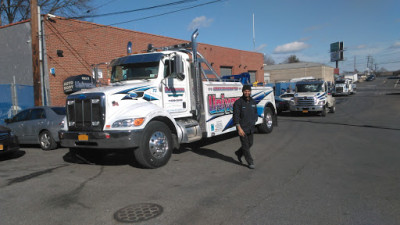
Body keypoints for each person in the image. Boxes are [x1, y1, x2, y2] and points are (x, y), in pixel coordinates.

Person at [233, 84, 258, 169]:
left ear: (250, 92)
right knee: (246, 146)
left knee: (250, 143)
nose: (247, 92)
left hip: (251, 127)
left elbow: (255, 112)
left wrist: (255, 119)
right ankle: (250, 162)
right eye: (245, 91)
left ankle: (239, 153)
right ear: (243, 92)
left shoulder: (253, 101)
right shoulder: (238, 103)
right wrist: (239, 128)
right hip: (242, 128)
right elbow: (236, 116)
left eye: (248, 91)